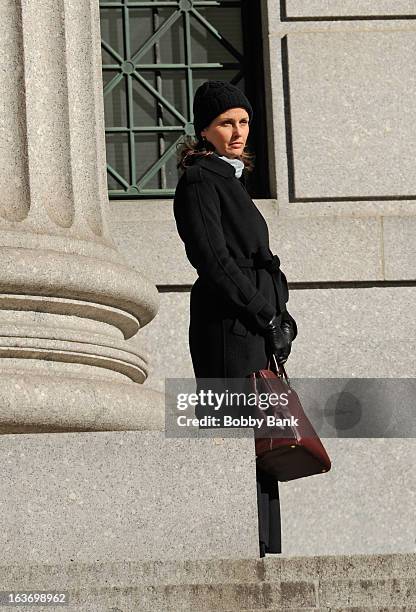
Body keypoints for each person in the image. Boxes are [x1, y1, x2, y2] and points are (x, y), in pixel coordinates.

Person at [173, 80, 298, 557]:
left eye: (244, 121)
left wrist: (281, 318)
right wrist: (267, 315)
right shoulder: (201, 179)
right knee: (235, 442)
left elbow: (259, 260)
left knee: (265, 440)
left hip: (252, 326)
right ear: (205, 129)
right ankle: (242, 549)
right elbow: (214, 260)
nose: (238, 131)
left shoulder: (230, 180)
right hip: (227, 328)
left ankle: (268, 549)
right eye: (227, 122)